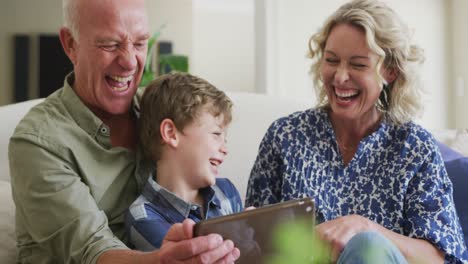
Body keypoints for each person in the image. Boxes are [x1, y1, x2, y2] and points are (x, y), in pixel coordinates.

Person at [8, 0, 239, 263]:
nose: (130, 62)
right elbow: (92, 250)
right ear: (70, 44)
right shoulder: (39, 141)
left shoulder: (159, 111)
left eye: (140, 44)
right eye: (110, 44)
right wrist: (161, 260)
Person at [245, 0, 468, 263]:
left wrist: (367, 228)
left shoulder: (415, 147)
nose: (340, 77)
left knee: (368, 245)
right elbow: (250, 244)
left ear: (391, 72)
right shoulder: (285, 136)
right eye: (331, 60)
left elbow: (439, 257)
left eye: (358, 65)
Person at [125, 72, 243, 250]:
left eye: (224, 139)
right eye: (216, 134)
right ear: (171, 133)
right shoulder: (143, 216)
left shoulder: (226, 192)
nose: (225, 149)